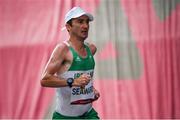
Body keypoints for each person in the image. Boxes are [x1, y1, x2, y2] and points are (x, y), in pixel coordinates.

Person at [41, 6, 100, 119]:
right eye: (80, 22)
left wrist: (90, 90)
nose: (86, 26)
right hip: (66, 117)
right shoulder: (63, 50)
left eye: (87, 22)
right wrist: (72, 81)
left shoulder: (91, 49)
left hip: (88, 114)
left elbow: (82, 77)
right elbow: (44, 79)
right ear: (68, 27)